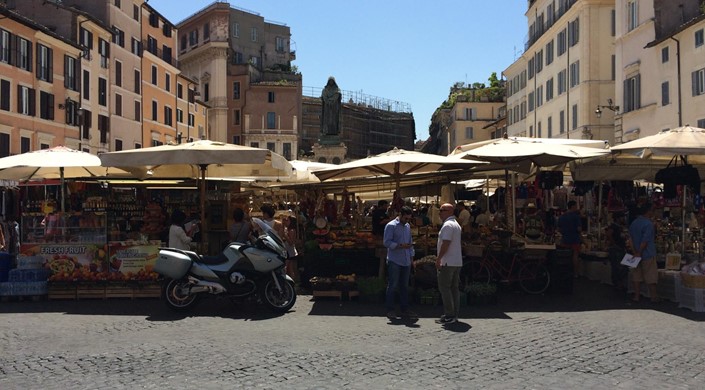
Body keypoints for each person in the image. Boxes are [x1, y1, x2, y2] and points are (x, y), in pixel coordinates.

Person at [383, 206, 416, 320]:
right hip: (395, 260)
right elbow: (386, 242)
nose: (407, 220)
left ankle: (404, 308)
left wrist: (412, 258)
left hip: (406, 260)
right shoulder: (391, 226)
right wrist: (399, 246)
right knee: (393, 285)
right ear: (400, 215)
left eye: (409, 219)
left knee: (404, 286)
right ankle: (390, 309)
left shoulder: (407, 226)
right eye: (406, 218)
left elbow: (410, 242)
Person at [435, 203, 463, 324]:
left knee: (444, 287)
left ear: (449, 212)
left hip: (447, 261)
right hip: (456, 261)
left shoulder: (447, 225)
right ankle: (454, 313)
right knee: (454, 288)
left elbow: (446, 243)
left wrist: (438, 258)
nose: (439, 213)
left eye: (442, 210)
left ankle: (449, 314)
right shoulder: (456, 224)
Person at [628, 202, 659, 302]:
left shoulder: (634, 223)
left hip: (636, 253)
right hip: (647, 253)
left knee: (636, 276)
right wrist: (640, 252)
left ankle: (636, 296)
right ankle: (653, 297)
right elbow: (645, 240)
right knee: (651, 276)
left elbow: (631, 239)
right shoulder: (649, 224)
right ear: (649, 211)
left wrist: (635, 252)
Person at [557, 200, 582, 278]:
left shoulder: (561, 217)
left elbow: (558, 229)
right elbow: (579, 229)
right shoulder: (576, 217)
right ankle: (575, 273)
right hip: (575, 238)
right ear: (573, 206)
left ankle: (565, 272)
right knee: (575, 256)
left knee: (565, 256)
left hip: (565, 238)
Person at [606, 222, 628, 291]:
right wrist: (614, 244)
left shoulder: (619, 227)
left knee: (620, 267)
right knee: (617, 267)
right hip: (617, 249)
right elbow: (609, 234)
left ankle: (619, 283)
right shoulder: (614, 226)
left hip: (620, 248)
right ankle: (618, 283)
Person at [282, 215, 299, 280]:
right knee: (289, 268)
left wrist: (285, 235)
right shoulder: (288, 229)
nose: (286, 222)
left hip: (290, 251)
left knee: (290, 268)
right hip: (288, 251)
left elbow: (291, 242)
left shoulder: (292, 230)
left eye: (287, 220)